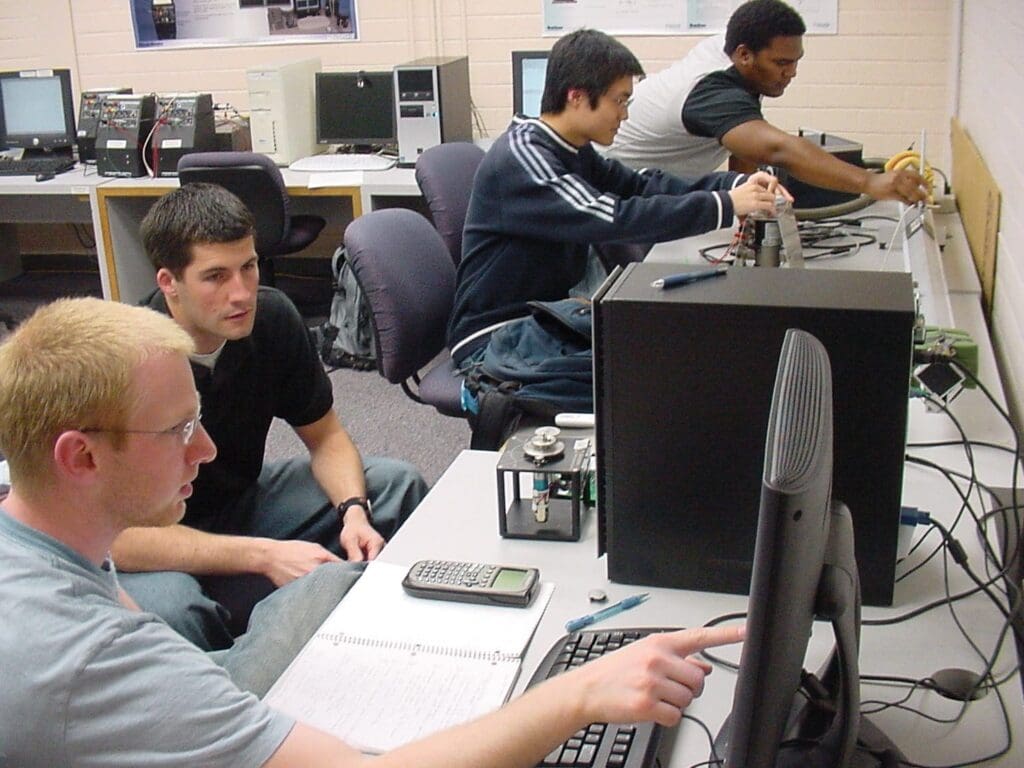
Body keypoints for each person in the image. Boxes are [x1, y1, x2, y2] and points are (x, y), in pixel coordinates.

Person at [0, 296, 745, 768]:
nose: (207, 449)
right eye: (178, 430)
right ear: (82, 456)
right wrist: (578, 695)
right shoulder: (82, 657)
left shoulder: (43, 532)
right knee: (327, 589)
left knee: (326, 584)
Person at [113, 183, 428, 651]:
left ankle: (395, 633)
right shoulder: (125, 359)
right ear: (168, 282)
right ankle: (237, 701)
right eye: (215, 276)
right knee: (174, 612)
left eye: (249, 267)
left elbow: (326, 438)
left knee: (394, 484)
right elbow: (114, 538)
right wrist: (262, 555)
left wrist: (354, 513)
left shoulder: (273, 318)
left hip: (241, 503)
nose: (242, 293)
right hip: (153, 542)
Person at [447, 28, 782, 420]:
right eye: (619, 101)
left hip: (545, 319)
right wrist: (723, 206)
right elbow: (612, 217)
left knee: (662, 351)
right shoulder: (524, 159)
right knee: (644, 377)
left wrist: (734, 184)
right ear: (576, 95)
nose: (625, 113)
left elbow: (639, 185)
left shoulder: (571, 148)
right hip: (493, 340)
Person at [606, 0, 928, 205]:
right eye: (782, 63)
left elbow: (745, 145)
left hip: (649, 187)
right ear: (745, 55)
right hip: (612, 192)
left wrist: (748, 204)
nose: (792, 73)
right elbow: (776, 149)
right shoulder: (711, 91)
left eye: (796, 61)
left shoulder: (735, 53)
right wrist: (870, 182)